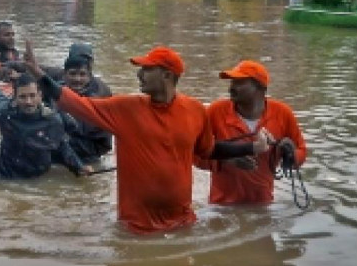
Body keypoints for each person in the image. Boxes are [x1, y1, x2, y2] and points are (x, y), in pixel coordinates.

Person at [21, 43, 271, 234]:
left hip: (184, 222)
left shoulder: (195, 110)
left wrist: (251, 147)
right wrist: (39, 74)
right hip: (136, 227)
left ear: (167, 75)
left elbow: (207, 150)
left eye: (147, 69)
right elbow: (77, 104)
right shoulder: (125, 108)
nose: (139, 75)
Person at [197, 60, 307, 205]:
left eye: (239, 83)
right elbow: (193, 153)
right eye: (231, 83)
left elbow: (301, 151)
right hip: (221, 206)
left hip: (263, 204)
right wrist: (226, 160)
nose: (231, 88)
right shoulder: (215, 111)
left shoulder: (283, 113)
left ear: (259, 87)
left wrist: (290, 155)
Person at [0, 74, 91, 179]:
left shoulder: (52, 120)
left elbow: (62, 147)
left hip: (38, 179)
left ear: (40, 96)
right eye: (22, 97)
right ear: (15, 98)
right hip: (6, 178)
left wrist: (79, 167)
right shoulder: (4, 113)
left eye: (32, 96)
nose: (28, 102)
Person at [55, 43, 113, 164]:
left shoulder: (98, 94)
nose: (77, 79)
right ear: (65, 74)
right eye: (73, 74)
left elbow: (78, 127)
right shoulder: (60, 86)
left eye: (82, 74)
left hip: (90, 147)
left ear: (89, 73)